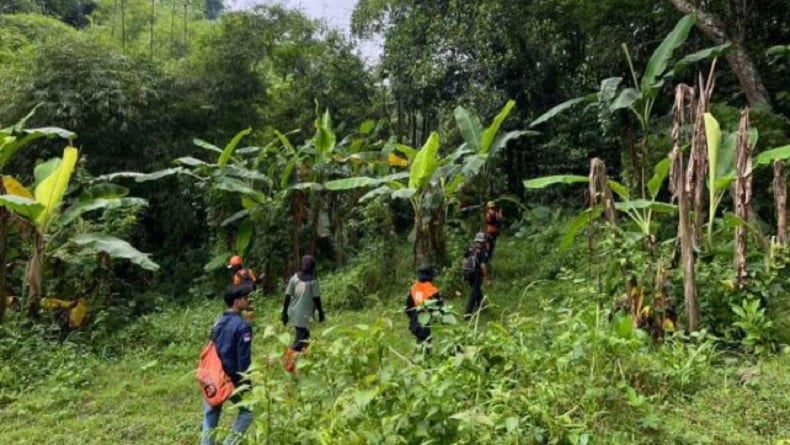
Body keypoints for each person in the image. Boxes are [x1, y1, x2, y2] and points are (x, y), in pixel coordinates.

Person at [201, 284, 254, 445]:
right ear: (237, 302)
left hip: (212, 375)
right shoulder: (243, 326)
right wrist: (245, 383)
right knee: (248, 411)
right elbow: (243, 359)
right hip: (231, 378)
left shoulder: (218, 321)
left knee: (211, 413)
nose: (248, 300)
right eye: (245, 298)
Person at [282, 255, 325, 374]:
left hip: (294, 313)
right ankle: (288, 365)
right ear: (313, 267)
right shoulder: (313, 281)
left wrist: (284, 313)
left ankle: (303, 366)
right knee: (299, 342)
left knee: (305, 339)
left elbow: (287, 296)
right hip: (304, 316)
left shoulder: (294, 278)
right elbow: (316, 299)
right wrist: (321, 312)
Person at [405, 265, 443, 345]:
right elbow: (440, 305)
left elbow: (408, 307)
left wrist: (412, 317)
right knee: (425, 341)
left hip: (415, 319)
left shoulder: (414, 287)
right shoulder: (433, 290)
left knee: (420, 340)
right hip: (426, 319)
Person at [227, 255, 264, 321]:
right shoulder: (249, 271)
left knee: (243, 307)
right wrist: (261, 278)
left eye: (233, 267)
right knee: (250, 306)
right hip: (252, 291)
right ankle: (251, 320)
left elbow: (236, 288)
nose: (232, 269)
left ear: (236, 267)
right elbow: (255, 281)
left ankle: (246, 321)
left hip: (243, 293)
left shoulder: (236, 276)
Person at [464, 232, 490, 317]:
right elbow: (483, 266)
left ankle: (481, 305)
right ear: (483, 242)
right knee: (474, 293)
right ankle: (468, 313)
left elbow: (465, 260)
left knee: (477, 290)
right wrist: (486, 277)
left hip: (468, 272)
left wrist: (464, 271)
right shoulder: (483, 252)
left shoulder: (470, 249)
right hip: (477, 274)